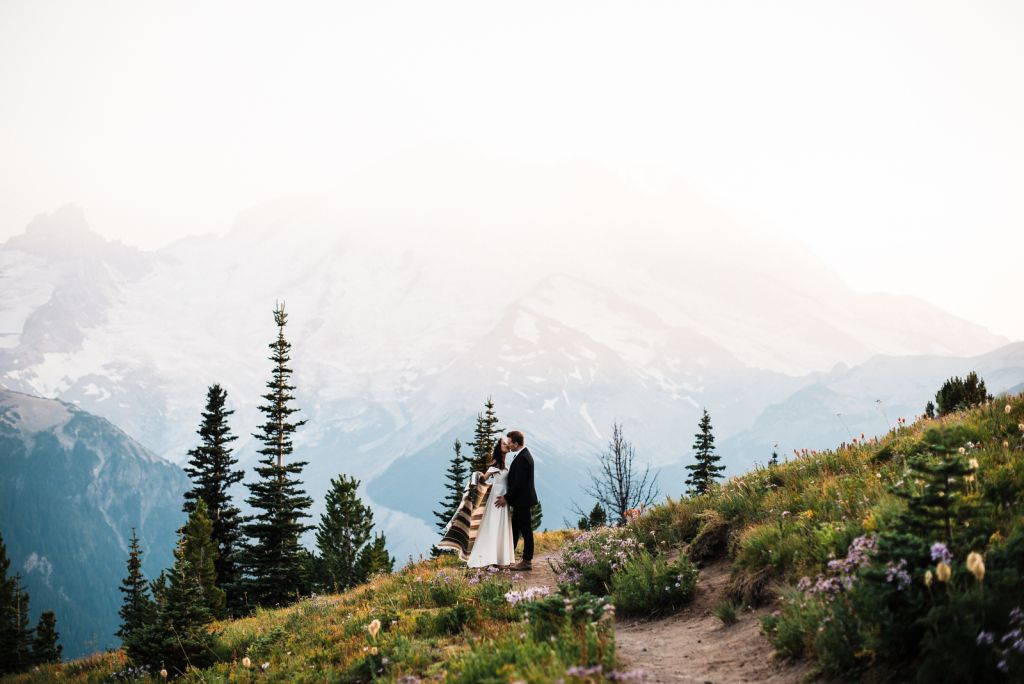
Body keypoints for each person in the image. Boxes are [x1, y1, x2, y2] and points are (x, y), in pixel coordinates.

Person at [466, 438, 515, 568]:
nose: (507, 445)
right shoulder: (496, 462)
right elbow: (484, 478)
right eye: (504, 444)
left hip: (504, 494)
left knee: (501, 525)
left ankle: (499, 558)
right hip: (497, 496)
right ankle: (490, 558)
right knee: (494, 524)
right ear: (499, 448)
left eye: (507, 443)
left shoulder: (504, 462)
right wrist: (476, 477)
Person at [495, 429, 537, 571]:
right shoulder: (521, 455)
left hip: (522, 501)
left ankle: (527, 561)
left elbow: (519, 483)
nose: (508, 445)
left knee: (526, 530)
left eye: (510, 443)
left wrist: (506, 498)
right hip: (520, 500)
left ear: (516, 443)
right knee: (514, 529)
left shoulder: (523, 458)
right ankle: (508, 558)